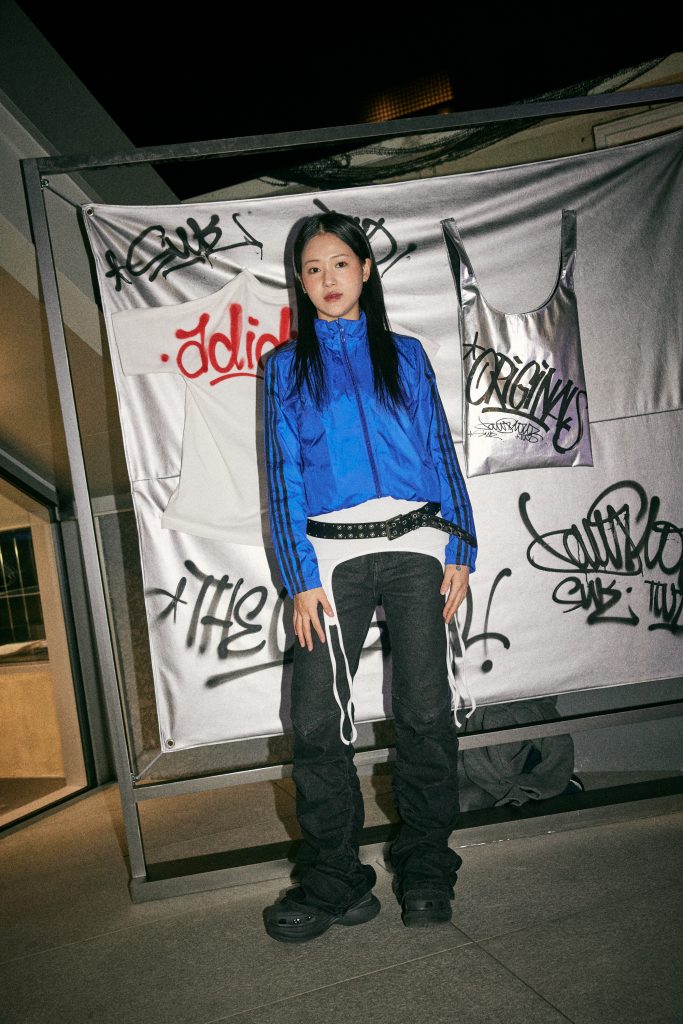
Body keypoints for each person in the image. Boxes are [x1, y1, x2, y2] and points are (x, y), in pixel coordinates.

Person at [262, 211, 477, 943]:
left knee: (424, 712)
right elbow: (282, 475)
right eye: (312, 269)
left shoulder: (406, 355)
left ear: (365, 270)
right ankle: (335, 877)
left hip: (418, 547)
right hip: (329, 560)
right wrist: (299, 576)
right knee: (316, 721)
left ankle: (426, 867)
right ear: (300, 282)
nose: (327, 279)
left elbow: (439, 451)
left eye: (339, 264)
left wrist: (462, 547)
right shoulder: (284, 368)